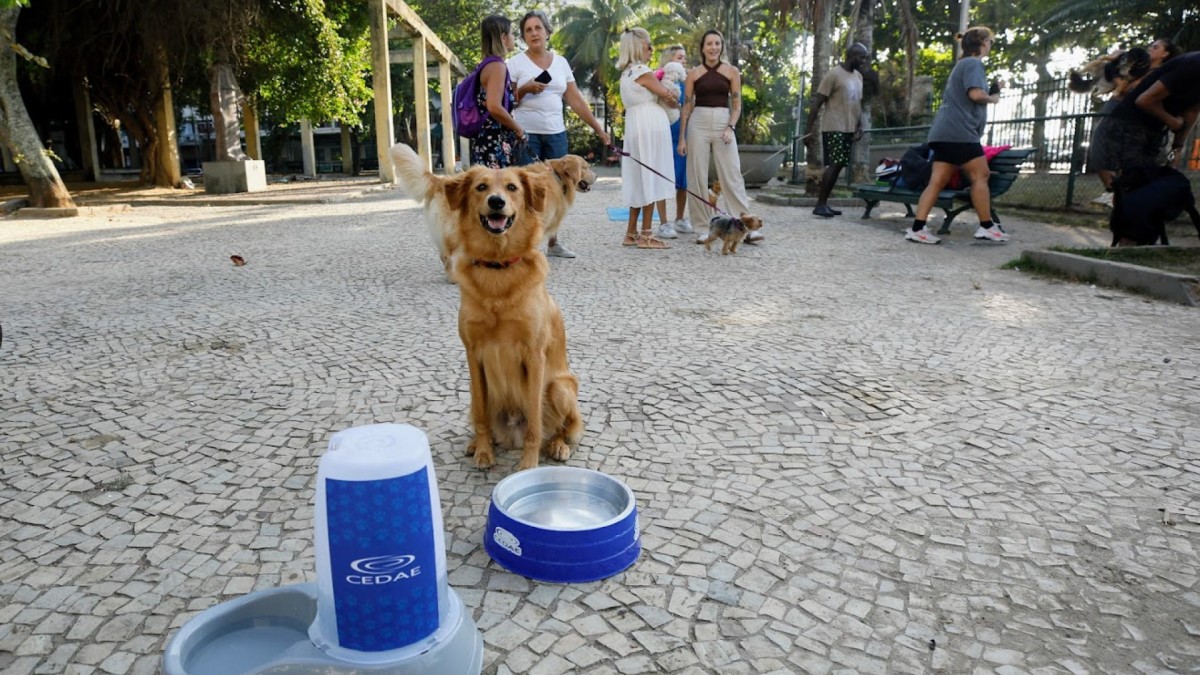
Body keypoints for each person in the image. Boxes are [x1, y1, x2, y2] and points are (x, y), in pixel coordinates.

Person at [509, 10, 611, 258]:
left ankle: (553, 242)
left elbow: (575, 99)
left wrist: (598, 129)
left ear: (547, 31)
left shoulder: (561, 62)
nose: (534, 33)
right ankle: (524, 246)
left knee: (561, 190)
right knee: (527, 191)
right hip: (526, 134)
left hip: (556, 134)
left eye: (538, 28)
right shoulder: (514, 63)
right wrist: (525, 88)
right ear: (524, 36)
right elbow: (507, 101)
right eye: (528, 30)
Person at [904, 27, 1006, 245]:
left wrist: (993, 90)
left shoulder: (962, 65)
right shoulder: (974, 63)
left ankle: (917, 228)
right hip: (960, 133)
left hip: (943, 133)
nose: (991, 46)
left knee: (937, 181)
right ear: (983, 43)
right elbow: (976, 94)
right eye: (991, 42)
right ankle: (987, 226)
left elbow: (972, 95)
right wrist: (993, 99)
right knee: (982, 175)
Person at [679, 30, 764, 246]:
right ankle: (701, 227)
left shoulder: (732, 71)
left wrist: (730, 127)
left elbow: (736, 105)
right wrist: (682, 137)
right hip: (698, 122)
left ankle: (745, 225)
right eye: (709, 43)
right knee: (696, 174)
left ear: (722, 46)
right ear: (703, 47)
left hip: (723, 121)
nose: (713, 47)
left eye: (717, 43)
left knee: (732, 173)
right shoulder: (694, 74)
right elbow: (687, 106)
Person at [1089, 39, 1179, 205]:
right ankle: (1114, 192)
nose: (1150, 48)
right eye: (1150, 45)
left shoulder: (1159, 73)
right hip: (1116, 108)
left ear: (1165, 54)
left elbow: (1131, 89)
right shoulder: (1137, 65)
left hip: (1134, 117)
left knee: (1129, 158)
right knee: (1097, 149)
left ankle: (1126, 198)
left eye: (1156, 47)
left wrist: (1119, 77)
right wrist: (1116, 61)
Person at [617, 27, 678, 250]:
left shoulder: (626, 74)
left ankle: (631, 233)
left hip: (636, 125)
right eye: (648, 45)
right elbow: (668, 95)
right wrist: (674, 98)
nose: (652, 49)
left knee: (639, 178)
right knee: (650, 176)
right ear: (637, 47)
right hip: (650, 126)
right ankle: (646, 234)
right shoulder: (643, 71)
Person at [803, 43, 869, 218]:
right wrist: (808, 130)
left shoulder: (858, 77)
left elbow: (857, 104)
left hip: (849, 128)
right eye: (861, 57)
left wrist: (860, 125)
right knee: (834, 164)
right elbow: (817, 103)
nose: (864, 61)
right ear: (851, 56)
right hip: (834, 126)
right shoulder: (834, 74)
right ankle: (820, 204)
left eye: (865, 57)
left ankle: (824, 203)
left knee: (839, 165)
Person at [471, 15, 525, 169]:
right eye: (512, 33)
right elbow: (493, 106)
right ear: (503, 37)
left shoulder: (487, 64)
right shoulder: (497, 66)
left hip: (489, 141)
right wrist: (518, 128)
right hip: (493, 144)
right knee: (497, 190)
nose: (514, 37)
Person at [654, 45, 693, 239]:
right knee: (662, 177)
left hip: (681, 133)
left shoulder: (687, 83)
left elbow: (687, 108)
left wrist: (683, 138)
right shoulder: (658, 79)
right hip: (663, 132)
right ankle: (663, 223)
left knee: (683, 180)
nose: (684, 60)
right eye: (680, 57)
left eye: (685, 57)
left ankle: (680, 218)